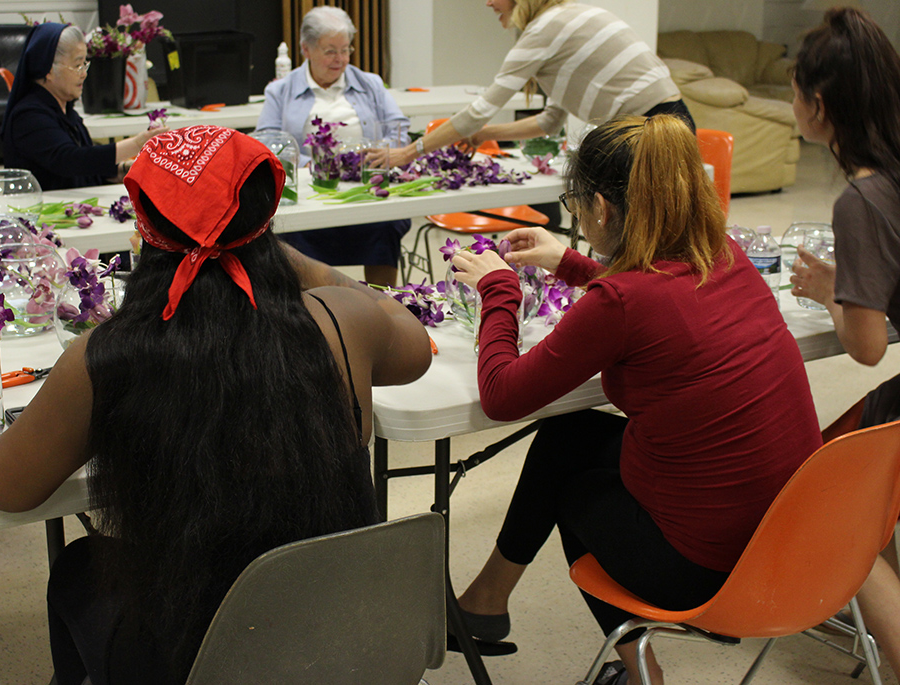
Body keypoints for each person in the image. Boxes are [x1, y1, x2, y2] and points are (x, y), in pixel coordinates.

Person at [0, 125, 432, 685]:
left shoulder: (105, 358)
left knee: (77, 566)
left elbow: (5, 488)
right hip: (350, 633)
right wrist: (276, 254)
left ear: (143, 223)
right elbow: (414, 344)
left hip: (196, 655)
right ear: (265, 214)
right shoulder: (341, 321)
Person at [448, 115, 820, 685]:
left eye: (573, 204)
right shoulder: (721, 254)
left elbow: (502, 396)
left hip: (707, 568)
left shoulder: (620, 303)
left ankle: (640, 672)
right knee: (568, 436)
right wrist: (567, 263)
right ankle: (485, 602)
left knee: (572, 491)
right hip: (785, 539)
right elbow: (655, 299)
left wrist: (498, 288)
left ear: (600, 207)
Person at [789, 8, 900, 680]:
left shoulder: (862, 200)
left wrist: (830, 296)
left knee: (822, 492)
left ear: (819, 106)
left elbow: (863, 346)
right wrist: (847, 282)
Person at [382, 0, 694, 171]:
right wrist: (485, 134)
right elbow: (550, 121)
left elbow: (481, 109)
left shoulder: (545, 28)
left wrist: (409, 152)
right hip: (667, 120)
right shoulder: (562, 21)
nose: (488, 2)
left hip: (648, 128)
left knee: (641, 240)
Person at [255, 6, 411, 287]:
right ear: (306, 49)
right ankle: (313, 311)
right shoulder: (280, 91)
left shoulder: (370, 84)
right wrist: (309, 165)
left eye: (346, 50)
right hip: (308, 195)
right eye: (330, 51)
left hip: (364, 190)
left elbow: (399, 131)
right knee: (290, 232)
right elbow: (266, 141)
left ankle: (385, 305)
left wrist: (379, 153)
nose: (341, 60)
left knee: (386, 224)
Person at [1, 23, 167, 191]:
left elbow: (86, 169)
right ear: (48, 69)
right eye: (77, 65)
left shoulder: (67, 112)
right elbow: (70, 161)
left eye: (84, 65)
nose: (84, 73)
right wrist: (137, 144)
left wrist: (125, 170)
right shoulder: (29, 116)